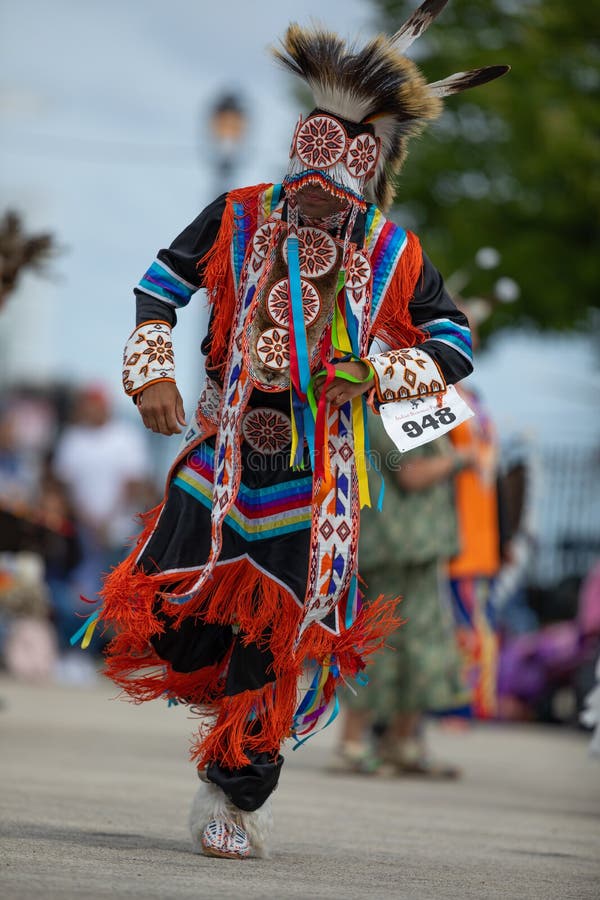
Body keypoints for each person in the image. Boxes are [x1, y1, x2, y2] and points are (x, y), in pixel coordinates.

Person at [78, 2, 508, 859]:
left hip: (321, 489)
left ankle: (230, 798)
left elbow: (455, 340)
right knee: (166, 606)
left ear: (366, 172)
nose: (317, 202)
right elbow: (158, 285)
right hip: (222, 457)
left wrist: (377, 372)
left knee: (275, 644)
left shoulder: (392, 252)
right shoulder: (237, 215)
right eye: (310, 168)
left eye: (339, 184)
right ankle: (216, 706)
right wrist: (152, 371)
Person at [333, 424, 475, 777]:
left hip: (415, 547)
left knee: (422, 646)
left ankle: (400, 741)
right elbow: (412, 473)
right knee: (381, 645)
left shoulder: (408, 404)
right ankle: (353, 743)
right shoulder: (389, 407)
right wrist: (463, 459)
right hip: (396, 547)